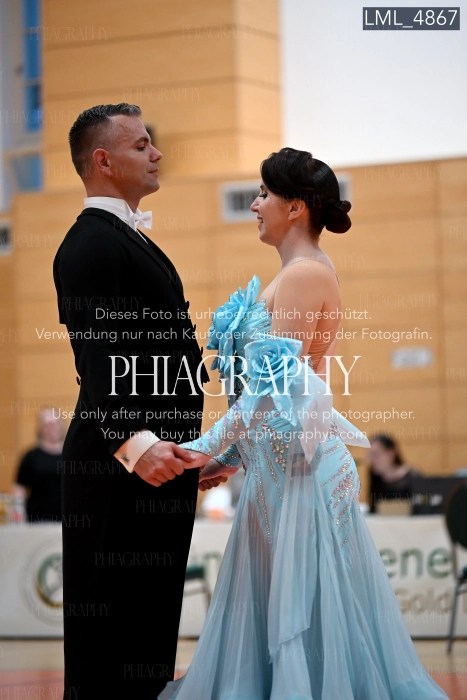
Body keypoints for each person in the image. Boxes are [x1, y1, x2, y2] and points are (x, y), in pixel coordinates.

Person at [159, 148, 448, 699]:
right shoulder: (294, 274)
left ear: (295, 208)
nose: (254, 205)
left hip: (302, 474)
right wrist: (230, 458)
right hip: (278, 471)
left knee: (307, 617)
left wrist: (204, 446)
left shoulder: (305, 273)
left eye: (263, 194)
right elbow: (280, 399)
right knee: (287, 612)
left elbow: (271, 392)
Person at [53, 103, 208, 700]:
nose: (156, 153)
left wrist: (187, 450)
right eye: (141, 145)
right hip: (117, 467)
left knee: (148, 627)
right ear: (103, 160)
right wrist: (138, 445)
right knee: (110, 637)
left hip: (153, 462)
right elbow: (98, 359)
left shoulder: (126, 238)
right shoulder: (90, 243)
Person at [12, 406, 64, 523]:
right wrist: (18, 510)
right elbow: (20, 487)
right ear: (40, 428)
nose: (52, 428)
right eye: (47, 425)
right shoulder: (30, 456)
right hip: (37, 520)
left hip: (67, 520)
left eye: (55, 423)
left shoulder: (72, 454)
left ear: (61, 425)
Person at [367, 433, 421, 514]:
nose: (371, 461)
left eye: (375, 455)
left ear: (391, 454)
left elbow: (422, 507)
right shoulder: (375, 477)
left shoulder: (413, 476)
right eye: (369, 456)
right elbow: (373, 509)